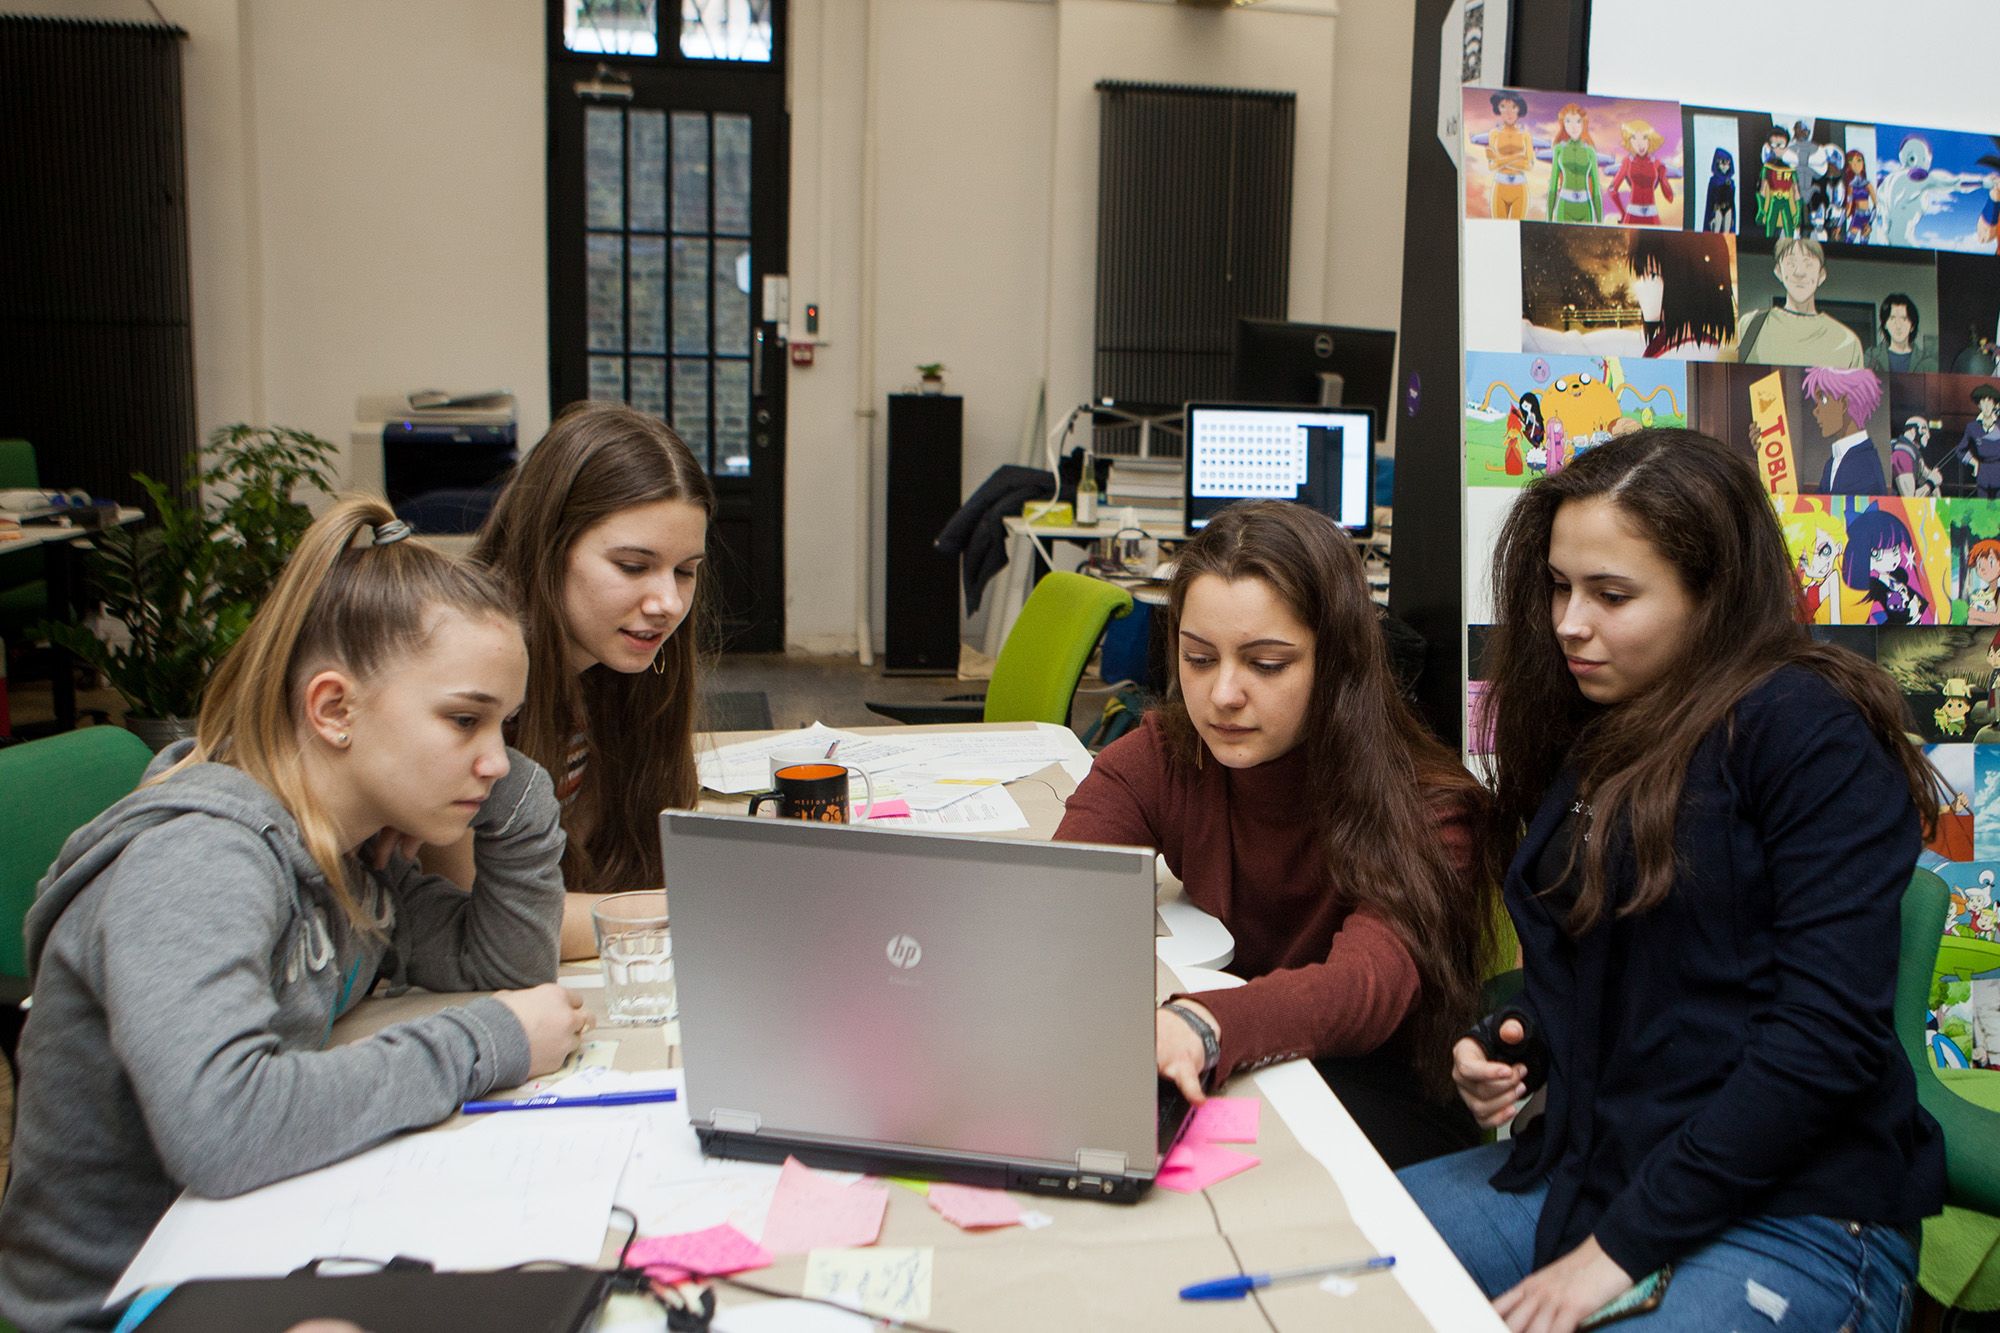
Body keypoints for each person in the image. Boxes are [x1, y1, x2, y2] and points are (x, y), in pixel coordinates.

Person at [1398, 430, 1943, 1332]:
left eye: (1612, 595)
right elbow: (1644, 968)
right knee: (1323, 1255)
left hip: (1796, 1210)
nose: (1569, 622)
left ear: (1713, 595)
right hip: (1607, 1170)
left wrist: (1617, 1248)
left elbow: (1823, 1041)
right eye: (1560, 586)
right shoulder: (1616, 720)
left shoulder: (1807, 731)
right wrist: (1523, 1038)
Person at [0, 499, 582, 1330]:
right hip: (124, 1297)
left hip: (255, 1239)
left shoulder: (349, 847)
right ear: (334, 709)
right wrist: (482, 1042)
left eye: (505, 724)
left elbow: (501, 966)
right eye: (465, 719)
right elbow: (224, 1123)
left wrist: (517, 799)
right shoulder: (198, 859)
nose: (494, 757)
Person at [1053, 501, 1496, 1168]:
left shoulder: (1430, 806)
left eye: (1265, 664)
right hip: (1242, 1060)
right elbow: (1062, 898)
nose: (1222, 694)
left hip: (1378, 1098)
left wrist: (1203, 1023)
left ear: (1336, 663)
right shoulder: (1169, 753)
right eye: (1199, 658)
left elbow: (1363, 986)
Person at [444, 401, 715, 960]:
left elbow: (591, 875)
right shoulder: (462, 681)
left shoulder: (608, 671)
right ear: (549, 547)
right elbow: (477, 915)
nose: (668, 602)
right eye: (633, 566)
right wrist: (696, 904)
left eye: (685, 571)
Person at [1734, 237, 1864, 368]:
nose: (1799, 273)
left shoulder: (1847, 341)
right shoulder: (1750, 325)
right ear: (1778, 272)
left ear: (1821, 275)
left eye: (1808, 264)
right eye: (1791, 263)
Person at [1800, 366, 1887, 495]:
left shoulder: (1864, 466)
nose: (1815, 411)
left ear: (1844, 404)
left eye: (1823, 399)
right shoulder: (1833, 462)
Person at [1546, 103, 1604, 224]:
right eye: (1568, 121)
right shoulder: (1559, 149)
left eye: (1578, 121)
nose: (1573, 127)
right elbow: (1553, 186)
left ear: (1583, 123)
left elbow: (1596, 189)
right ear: (1563, 124)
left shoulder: (1590, 151)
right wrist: (1548, 219)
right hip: (1564, 205)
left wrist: (1600, 223)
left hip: (1586, 206)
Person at [1484, 91, 1533, 220]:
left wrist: (1500, 160)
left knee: (1518, 227)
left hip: (1520, 187)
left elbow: (1529, 165)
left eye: (1514, 107)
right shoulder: (1494, 134)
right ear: (1498, 109)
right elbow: (1491, 165)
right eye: (1503, 107)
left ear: (1519, 109)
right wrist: (1518, 157)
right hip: (1500, 186)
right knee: (1499, 227)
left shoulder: (1525, 135)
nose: (1509, 113)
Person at [1863, 294, 1938, 374]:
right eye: (1892, 318)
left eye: (1904, 319)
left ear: (1912, 326)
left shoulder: (1928, 363)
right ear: (1885, 324)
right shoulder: (1870, 357)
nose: (1898, 326)